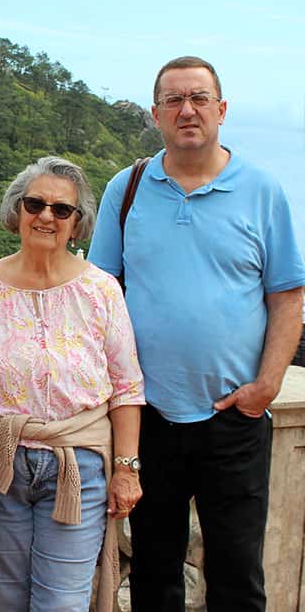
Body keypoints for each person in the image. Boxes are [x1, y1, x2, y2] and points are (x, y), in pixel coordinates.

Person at [88, 56, 305, 612]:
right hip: (148, 417)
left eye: (200, 98)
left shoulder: (261, 190)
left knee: (236, 573)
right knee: (155, 575)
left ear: (222, 110)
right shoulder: (128, 187)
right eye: (174, 101)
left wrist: (266, 386)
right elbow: (101, 293)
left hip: (235, 417)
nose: (187, 110)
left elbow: (287, 298)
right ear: (156, 114)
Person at [0, 156, 144, 612]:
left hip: (76, 465)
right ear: (16, 210)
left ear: (77, 224)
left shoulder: (101, 290)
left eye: (62, 210)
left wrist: (126, 468)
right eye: (35, 204)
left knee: (61, 603)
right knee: (6, 597)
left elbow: (126, 386)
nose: (46, 216)